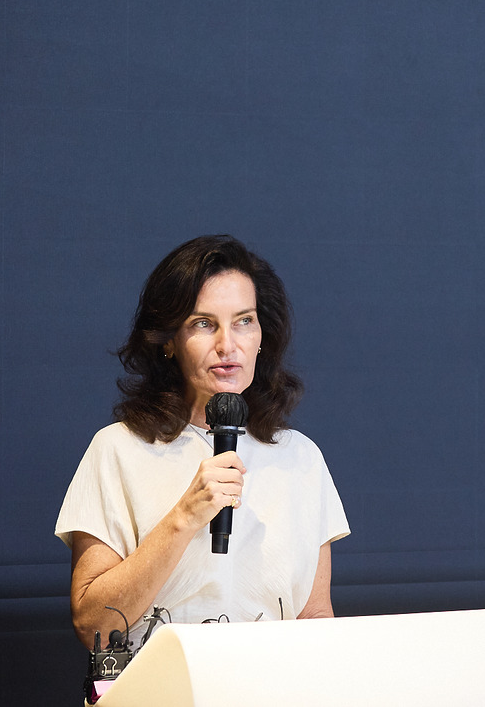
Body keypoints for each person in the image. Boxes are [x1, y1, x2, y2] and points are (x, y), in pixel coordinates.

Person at [55, 235, 349, 649]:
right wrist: (184, 517)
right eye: (204, 324)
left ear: (262, 336)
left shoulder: (301, 458)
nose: (227, 345)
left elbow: (316, 618)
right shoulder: (117, 450)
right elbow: (94, 628)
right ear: (169, 340)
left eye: (244, 321)